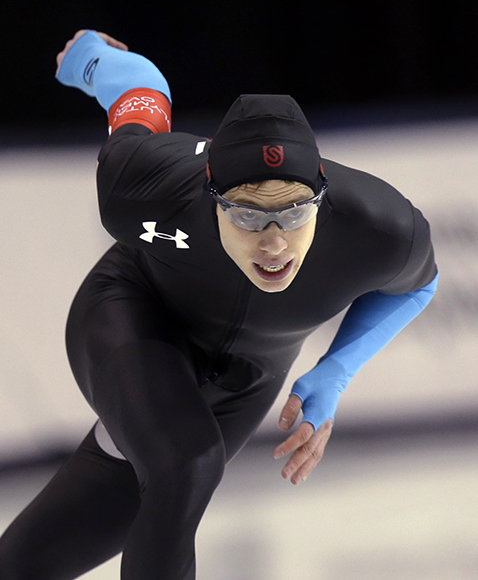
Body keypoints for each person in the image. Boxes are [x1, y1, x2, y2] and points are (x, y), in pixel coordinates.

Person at [0, 30, 438, 580]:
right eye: (248, 215)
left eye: (295, 213)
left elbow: (418, 286)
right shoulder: (143, 184)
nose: (274, 241)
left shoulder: (382, 227)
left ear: (322, 193)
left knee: (32, 562)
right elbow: (139, 93)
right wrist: (91, 56)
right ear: (210, 194)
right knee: (186, 462)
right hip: (133, 315)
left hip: (247, 377)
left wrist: (335, 372)